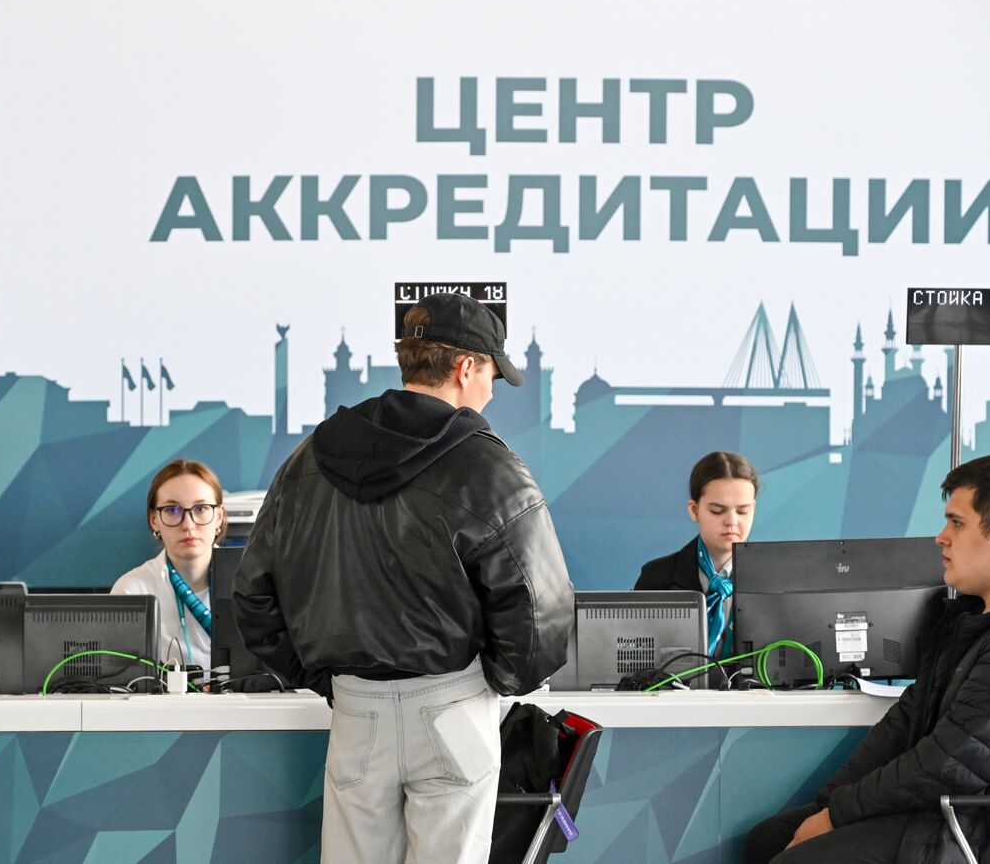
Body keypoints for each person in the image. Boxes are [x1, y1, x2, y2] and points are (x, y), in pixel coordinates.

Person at [234, 293, 575, 864]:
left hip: (355, 710)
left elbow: (252, 594)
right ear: (465, 367)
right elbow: (543, 611)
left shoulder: (309, 459)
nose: (492, 391)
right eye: (491, 374)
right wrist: (495, 682)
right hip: (453, 704)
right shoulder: (488, 465)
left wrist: (326, 681)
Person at [743, 451, 990, 864]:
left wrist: (839, 815)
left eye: (957, 523)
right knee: (768, 840)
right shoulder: (979, 617)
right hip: (946, 814)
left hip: (988, 833)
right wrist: (830, 805)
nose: (941, 537)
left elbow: (952, 761)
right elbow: (906, 721)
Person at [635, 451, 758, 656]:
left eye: (742, 511)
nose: (732, 521)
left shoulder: (776, 577)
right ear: (694, 510)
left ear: (753, 508)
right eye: (717, 510)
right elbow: (637, 659)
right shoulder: (656, 576)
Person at [112, 458, 226, 670]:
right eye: (172, 510)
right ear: (154, 520)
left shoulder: (251, 582)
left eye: (201, 508)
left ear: (219, 517)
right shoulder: (131, 591)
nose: (188, 525)